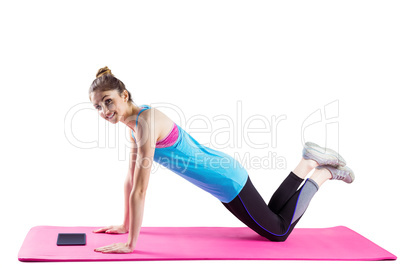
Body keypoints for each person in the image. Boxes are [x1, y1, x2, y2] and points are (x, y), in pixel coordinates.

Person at [88, 66, 355, 254]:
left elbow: (141, 188)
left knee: (278, 232)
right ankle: (307, 163)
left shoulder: (145, 124)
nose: (104, 111)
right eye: (98, 106)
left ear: (124, 95)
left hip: (226, 181)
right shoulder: (136, 122)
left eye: (108, 101)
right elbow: (130, 180)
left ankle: (323, 174)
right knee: (272, 216)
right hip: (224, 173)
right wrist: (125, 224)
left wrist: (131, 243)